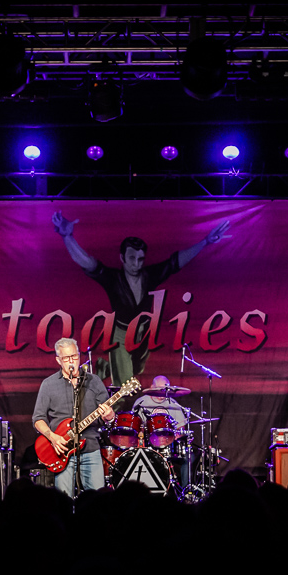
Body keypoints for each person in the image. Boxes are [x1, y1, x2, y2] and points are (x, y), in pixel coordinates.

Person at [51, 211, 230, 383]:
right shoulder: (113, 278)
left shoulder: (149, 276)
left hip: (143, 333)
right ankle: (119, 407)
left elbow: (175, 263)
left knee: (137, 370)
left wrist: (205, 242)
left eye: (141, 259)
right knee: (125, 384)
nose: (136, 264)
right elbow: (88, 263)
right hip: (120, 334)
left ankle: (105, 367)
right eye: (132, 258)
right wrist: (67, 237)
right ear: (122, 257)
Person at [32, 337, 116, 497]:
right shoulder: (48, 384)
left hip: (90, 447)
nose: (71, 361)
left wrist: (109, 416)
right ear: (58, 360)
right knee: (63, 501)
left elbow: (107, 419)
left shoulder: (94, 381)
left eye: (74, 356)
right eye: (66, 358)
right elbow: (38, 418)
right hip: (62, 450)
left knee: (98, 500)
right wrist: (52, 437)